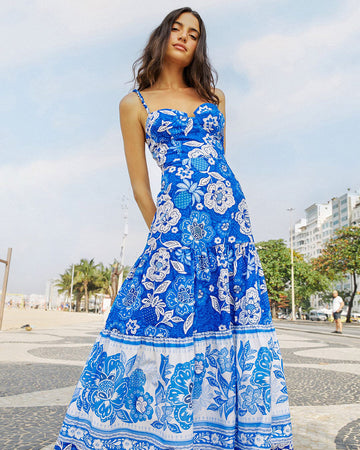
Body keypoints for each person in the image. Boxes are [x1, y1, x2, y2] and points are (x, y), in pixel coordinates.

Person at [55, 7, 293, 450]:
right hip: (176, 227)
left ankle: (224, 433)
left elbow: (219, 162)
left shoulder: (215, 98)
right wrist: (162, 234)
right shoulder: (134, 104)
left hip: (229, 229)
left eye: (195, 33)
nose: (185, 37)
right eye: (178, 29)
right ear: (162, 36)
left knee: (226, 321)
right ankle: (149, 432)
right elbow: (140, 183)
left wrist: (226, 218)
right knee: (166, 318)